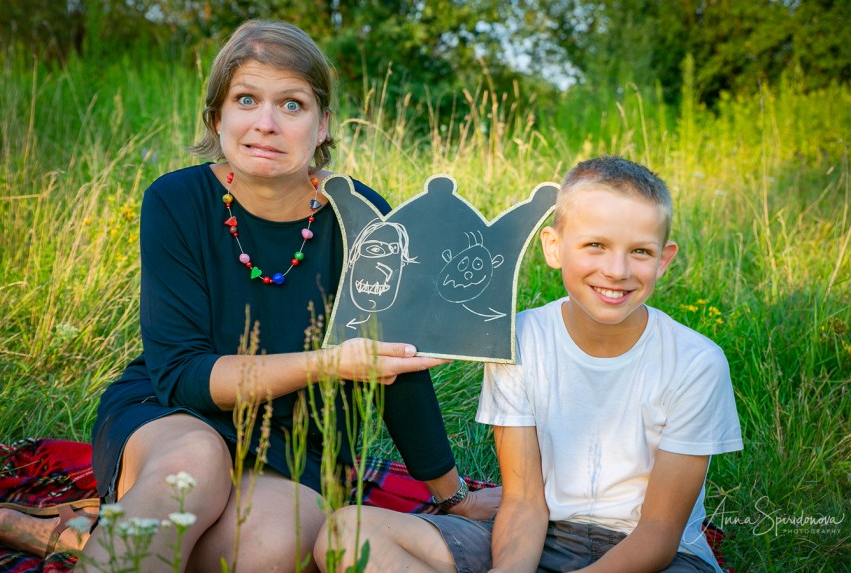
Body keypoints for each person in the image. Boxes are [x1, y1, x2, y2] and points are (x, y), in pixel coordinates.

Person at [0, 19, 498, 572]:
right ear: (217, 116)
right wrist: (329, 363)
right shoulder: (176, 200)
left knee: (271, 549)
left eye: (292, 104)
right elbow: (182, 374)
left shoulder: (360, 214)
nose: (266, 123)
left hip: (296, 435)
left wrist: (453, 496)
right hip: (174, 415)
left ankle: (79, 537)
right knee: (193, 466)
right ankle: (124, 533)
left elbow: (395, 360)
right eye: (246, 99)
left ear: (322, 125)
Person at [319, 155, 744, 573]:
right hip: (542, 536)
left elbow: (659, 532)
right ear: (554, 247)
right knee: (346, 534)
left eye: (640, 251)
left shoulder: (696, 362)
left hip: (654, 554)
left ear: (663, 259)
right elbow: (523, 501)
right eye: (595, 245)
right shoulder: (520, 338)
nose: (616, 270)